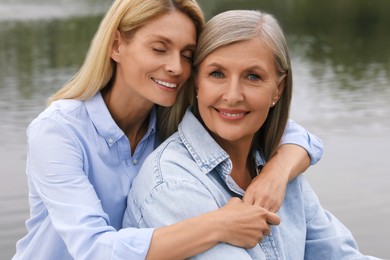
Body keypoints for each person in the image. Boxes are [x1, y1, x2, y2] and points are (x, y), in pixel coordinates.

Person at [13, 1, 323, 259]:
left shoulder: (171, 117)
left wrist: (276, 173)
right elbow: (94, 249)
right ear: (117, 45)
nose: (176, 67)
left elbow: (290, 133)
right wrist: (218, 225)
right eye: (160, 49)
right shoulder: (58, 131)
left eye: (187, 55)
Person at [124, 9, 379, 259]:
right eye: (217, 74)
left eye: (253, 76)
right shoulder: (173, 183)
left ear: (277, 90)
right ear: (197, 83)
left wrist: (278, 171)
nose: (233, 96)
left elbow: (340, 255)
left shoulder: (278, 170)